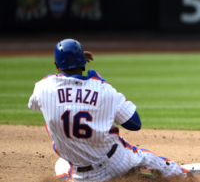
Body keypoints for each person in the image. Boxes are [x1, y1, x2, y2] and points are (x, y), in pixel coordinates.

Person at [28, 39, 190, 181]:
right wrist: (98, 79)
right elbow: (134, 123)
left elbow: (36, 102)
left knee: (61, 164)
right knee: (154, 162)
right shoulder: (102, 89)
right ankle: (179, 176)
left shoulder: (43, 88)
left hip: (81, 176)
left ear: (56, 65)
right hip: (115, 162)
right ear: (83, 63)